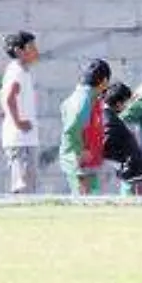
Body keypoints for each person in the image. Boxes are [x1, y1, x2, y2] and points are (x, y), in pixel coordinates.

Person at [58, 59, 112, 196]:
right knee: (83, 200)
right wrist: (80, 150)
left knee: (92, 198)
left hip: (88, 160)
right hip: (79, 161)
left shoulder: (87, 95)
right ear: (104, 81)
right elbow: (72, 126)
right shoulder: (84, 98)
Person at [0, 31, 41, 194]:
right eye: (32, 47)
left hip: (25, 139)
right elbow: (8, 98)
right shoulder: (16, 71)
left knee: (28, 184)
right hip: (19, 140)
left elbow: (1, 95)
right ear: (18, 51)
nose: (36, 51)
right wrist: (17, 122)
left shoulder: (22, 71)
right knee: (22, 186)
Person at [101, 83, 142, 196]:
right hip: (134, 168)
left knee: (130, 203)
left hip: (133, 171)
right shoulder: (109, 119)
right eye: (126, 103)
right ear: (118, 104)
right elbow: (106, 145)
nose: (127, 106)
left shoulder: (107, 116)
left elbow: (105, 147)